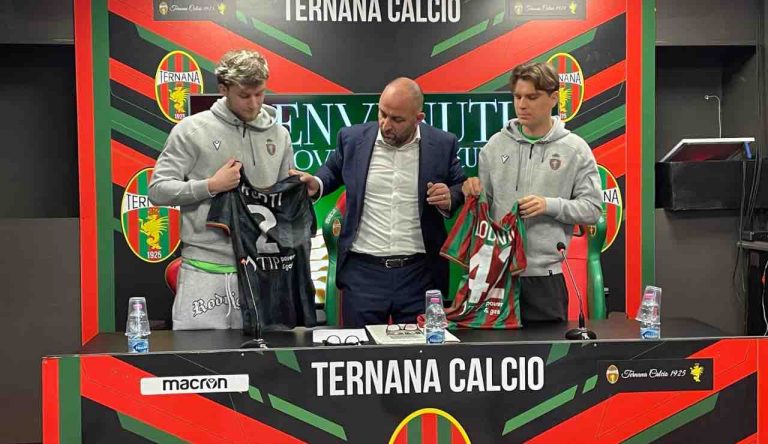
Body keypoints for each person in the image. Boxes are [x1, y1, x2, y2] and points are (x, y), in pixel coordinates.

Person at [294, 78, 466, 327]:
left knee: (419, 350)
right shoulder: (352, 138)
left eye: (397, 119)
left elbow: (460, 185)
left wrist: (450, 196)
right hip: (362, 273)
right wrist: (316, 184)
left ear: (418, 118)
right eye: (382, 114)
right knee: (361, 349)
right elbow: (330, 172)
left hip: (420, 274)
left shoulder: (442, 144)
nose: (386, 124)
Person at [148, 49, 294, 330]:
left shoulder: (279, 135)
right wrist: (210, 186)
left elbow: (283, 203)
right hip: (203, 272)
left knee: (263, 357)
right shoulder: (191, 130)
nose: (254, 104)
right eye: (245, 95)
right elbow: (158, 190)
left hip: (262, 272)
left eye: (260, 94)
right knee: (198, 355)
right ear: (224, 89)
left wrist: (299, 190)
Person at [462, 62, 601, 323]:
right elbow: (483, 210)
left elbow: (592, 210)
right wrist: (471, 193)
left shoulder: (575, 149)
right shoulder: (495, 146)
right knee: (493, 349)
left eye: (532, 97)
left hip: (545, 280)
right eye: (517, 97)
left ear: (553, 98)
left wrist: (549, 205)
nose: (522, 104)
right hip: (495, 275)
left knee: (546, 349)